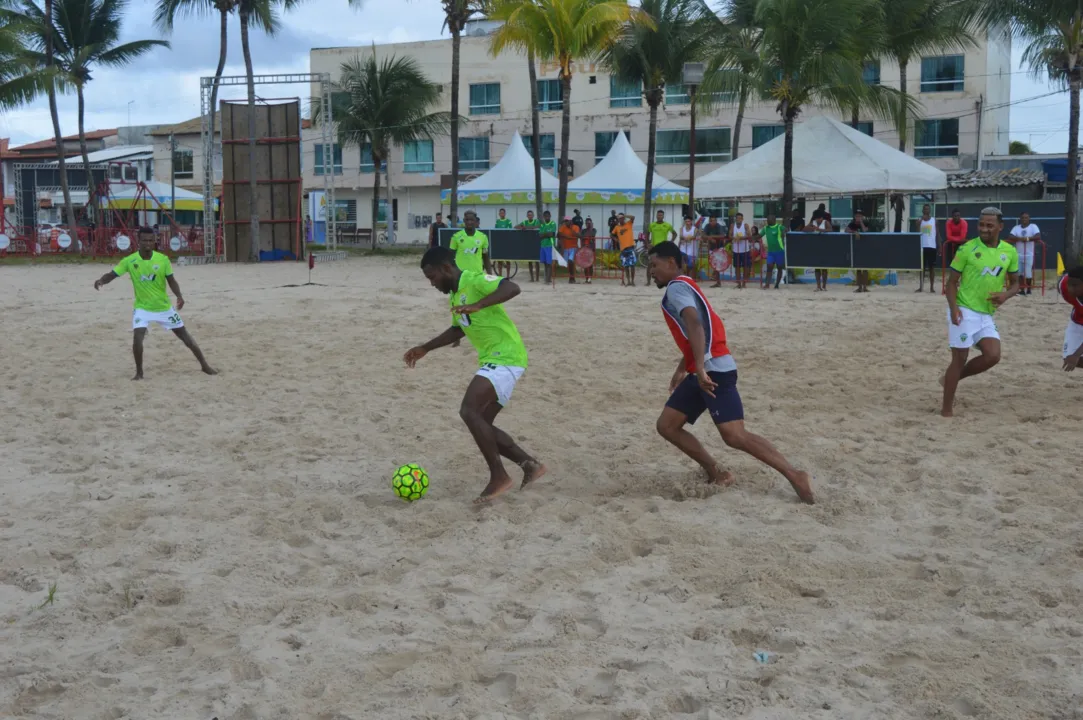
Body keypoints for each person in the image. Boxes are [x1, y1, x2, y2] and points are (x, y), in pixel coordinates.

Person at [648, 241, 814, 504]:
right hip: (703, 371)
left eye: (654, 265)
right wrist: (685, 368)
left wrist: (699, 368)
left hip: (713, 371)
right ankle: (716, 472)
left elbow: (695, 323)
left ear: (671, 263)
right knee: (667, 426)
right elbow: (697, 331)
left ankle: (795, 475)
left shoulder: (676, 288)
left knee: (735, 436)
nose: (651, 271)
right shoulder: (686, 284)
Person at [404, 247, 546, 502]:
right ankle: (529, 465)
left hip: (506, 355)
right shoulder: (455, 295)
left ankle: (499, 477)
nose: (432, 283)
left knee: (468, 411)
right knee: (482, 424)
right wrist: (425, 347)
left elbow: (512, 288)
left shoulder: (474, 279)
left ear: (446, 268)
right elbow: (458, 329)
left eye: (432, 277)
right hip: (497, 359)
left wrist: (479, 304)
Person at [93, 231, 216, 381]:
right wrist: (101, 281)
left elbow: (171, 280)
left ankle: (204, 365)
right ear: (139, 241)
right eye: (145, 240)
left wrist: (179, 296)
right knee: (137, 338)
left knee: (185, 337)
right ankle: (139, 373)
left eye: (151, 240)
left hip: (163, 308)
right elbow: (113, 274)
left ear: (154, 242)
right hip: (142, 308)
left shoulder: (162, 259)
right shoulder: (130, 261)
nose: (148, 243)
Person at [941, 207, 1020, 417]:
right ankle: (946, 411)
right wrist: (954, 308)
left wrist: (1005, 295)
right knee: (959, 359)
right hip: (965, 310)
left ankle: (950, 378)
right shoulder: (967, 249)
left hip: (986, 313)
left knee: (993, 356)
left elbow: (1016, 284)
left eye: (989, 225)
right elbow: (951, 283)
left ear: (1000, 227)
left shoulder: (1009, 251)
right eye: (981, 224)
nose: (984, 229)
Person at [448, 210, 492, 275]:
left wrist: (490, 274)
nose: (469, 222)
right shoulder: (456, 237)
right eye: (467, 220)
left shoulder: (483, 237)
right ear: (464, 220)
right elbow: (450, 257)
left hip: (477, 275)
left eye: (472, 220)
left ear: (476, 221)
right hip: (461, 276)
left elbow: (485, 257)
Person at [1009, 212, 1041, 296]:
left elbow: (1038, 236)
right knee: (1020, 273)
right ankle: (1022, 289)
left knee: (1028, 272)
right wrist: (1020, 238)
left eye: (1026, 218)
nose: (1024, 219)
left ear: (1029, 218)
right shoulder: (1016, 228)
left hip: (1029, 253)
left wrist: (1027, 238)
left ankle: (1029, 289)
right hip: (1018, 253)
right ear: (1020, 219)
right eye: (1023, 218)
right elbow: (1011, 236)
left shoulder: (1033, 226)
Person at [1058, 266, 1083, 371]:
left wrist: (1077, 354)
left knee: (1075, 357)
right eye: (1069, 284)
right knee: (1068, 358)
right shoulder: (1063, 286)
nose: (1070, 289)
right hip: (1077, 322)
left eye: (1075, 285)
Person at [645, 210, 676, 286]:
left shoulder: (667, 225)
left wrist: (671, 242)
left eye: (661, 215)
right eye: (658, 215)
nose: (659, 216)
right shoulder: (652, 225)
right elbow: (647, 235)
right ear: (656, 216)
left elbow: (675, 234)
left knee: (664, 265)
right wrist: (648, 244)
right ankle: (648, 282)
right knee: (650, 264)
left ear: (663, 216)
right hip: (654, 248)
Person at [805, 213, 832, 291]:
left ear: (821, 218)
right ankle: (818, 286)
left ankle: (824, 286)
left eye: (819, 218)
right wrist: (811, 228)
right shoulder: (813, 223)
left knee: (824, 267)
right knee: (817, 267)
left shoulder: (825, 222)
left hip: (825, 246)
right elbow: (804, 229)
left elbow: (831, 230)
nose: (817, 220)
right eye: (816, 219)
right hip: (815, 247)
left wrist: (820, 230)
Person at [847, 210, 870, 293]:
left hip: (865, 248)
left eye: (860, 216)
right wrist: (854, 232)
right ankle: (859, 287)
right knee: (858, 269)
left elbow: (865, 231)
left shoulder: (866, 223)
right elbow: (846, 230)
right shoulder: (852, 224)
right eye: (857, 216)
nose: (858, 217)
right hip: (856, 249)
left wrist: (861, 223)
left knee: (866, 269)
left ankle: (865, 287)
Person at [917, 204, 939, 293]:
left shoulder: (934, 221)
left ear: (930, 211)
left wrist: (939, 246)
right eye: (925, 209)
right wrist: (921, 220)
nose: (926, 211)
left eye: (928, 209)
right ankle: (921, 286)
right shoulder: (919, 220)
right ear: (922, 211)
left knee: (931, 268)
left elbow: (937, 234)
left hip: (932, 246)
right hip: (922, 246)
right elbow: (917, 231)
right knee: (921, 268)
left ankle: (932, 287)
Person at [762, 211, 785, 289]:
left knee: (779, 268)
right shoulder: (765, 228)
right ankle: (767, 284)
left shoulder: (779, 227)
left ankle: (777, 284)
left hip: (779, 251)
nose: (767, 221)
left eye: (769, 219)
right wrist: (752, 238)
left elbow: (785, 230)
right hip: (771, 252)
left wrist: (783, 233)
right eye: (767, 219)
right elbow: (759, 235)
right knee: (769, 267)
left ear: (774, 220)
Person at [729, 212, 752, 289]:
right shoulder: (733, 226)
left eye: (740, 218)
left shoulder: (745, 226)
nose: (738, 220)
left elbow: (749, 235)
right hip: (736, 250)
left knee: (746, 267)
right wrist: (734, 238)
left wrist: (741, 238)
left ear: (742, 219)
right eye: (737, 218)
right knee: (737, 267)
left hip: (745, 250)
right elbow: (729, 235)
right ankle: (738, 282)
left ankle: (744, 283)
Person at [517, 210, 542, 282]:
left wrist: (527, 227)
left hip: (535, 243)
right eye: (528, 215)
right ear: (527, 216)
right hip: (528, 244)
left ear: (533, 215)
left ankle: (537, 278)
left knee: (536, 261)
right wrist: (521, 227)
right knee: (530, 262)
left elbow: (537, 226)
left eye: (531, 215)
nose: (530, 216)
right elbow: (516, 227)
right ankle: (532, 278)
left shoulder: (536, 221)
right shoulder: (524, 222)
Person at [614, 212, 637, 286]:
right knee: (626, 266)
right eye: (619, 218)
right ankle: (628, 281)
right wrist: (616, 239)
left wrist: (625, 215)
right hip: (623, 249)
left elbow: (633, 217)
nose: (621, 220)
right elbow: (611, 234)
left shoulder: (629, 223)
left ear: (624, 218)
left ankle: (633, 281)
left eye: (622, 218)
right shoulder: (617, 227)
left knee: (632, 265)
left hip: (631, 247)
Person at [702, 214, 725, 287]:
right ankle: (718, 282)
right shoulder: (707, 226)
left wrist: (710, 237)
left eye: (714, 220)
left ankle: (716, 279)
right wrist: (710, 239)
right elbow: (703, 235)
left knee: (717, 264)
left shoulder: (718, 226)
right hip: (712, 248)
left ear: (716, 221)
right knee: (713, 264)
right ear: (709, 221)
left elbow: (722, 236)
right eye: (711, 220)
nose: (713, 222)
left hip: (719, 248)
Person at [558, 216, 580, 283]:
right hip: (566, 248)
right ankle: (571, 277)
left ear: (571, 221)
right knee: (568, 264)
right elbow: (559, 234)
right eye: (565, 221)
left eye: (568, 221)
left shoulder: (576, 227)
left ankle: (572, 278)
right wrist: (567, 237)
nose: (566, 222)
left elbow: (578, 235)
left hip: (574, 247)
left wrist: (571, 229)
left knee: (571, 261)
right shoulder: (563, 227)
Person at [538, 210, 558, 285]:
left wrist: (544, 234)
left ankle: (548, 280)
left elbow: (552, 234)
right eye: (545, 216)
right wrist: (547, 234)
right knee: (545, 263)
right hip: (543, 245)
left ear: (550, 216)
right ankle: (547, 278)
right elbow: (540, 236)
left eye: (547, 216)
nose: (546, 218)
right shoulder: (542, 225)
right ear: (543, 217)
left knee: (549, 263)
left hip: (550, 245)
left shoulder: (553, 224)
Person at [494, 208, 514, 278]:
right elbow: (495, 231)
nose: (502, 214)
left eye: (503, 213)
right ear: (499, 214)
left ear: (505, 214)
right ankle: (500, 276)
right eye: (500, 213)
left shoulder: (508, 221)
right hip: (500, 243)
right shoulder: (497, 221)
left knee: (507, 260)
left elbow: (510, 231)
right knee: (499, 260)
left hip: (506, 243)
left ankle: (508, 276)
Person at [580, 217, 597, 284]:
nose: (588, 224)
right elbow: (583, 236)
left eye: (589, 223)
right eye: (587, 223)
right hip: (585, 249)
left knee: (590, 264)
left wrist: (590, 228)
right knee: (585, 265)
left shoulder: (594, 230)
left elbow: (592, 234)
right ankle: (586, 278)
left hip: (591, 249)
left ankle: (590, 278)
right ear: (585, 223)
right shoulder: (583, 230)